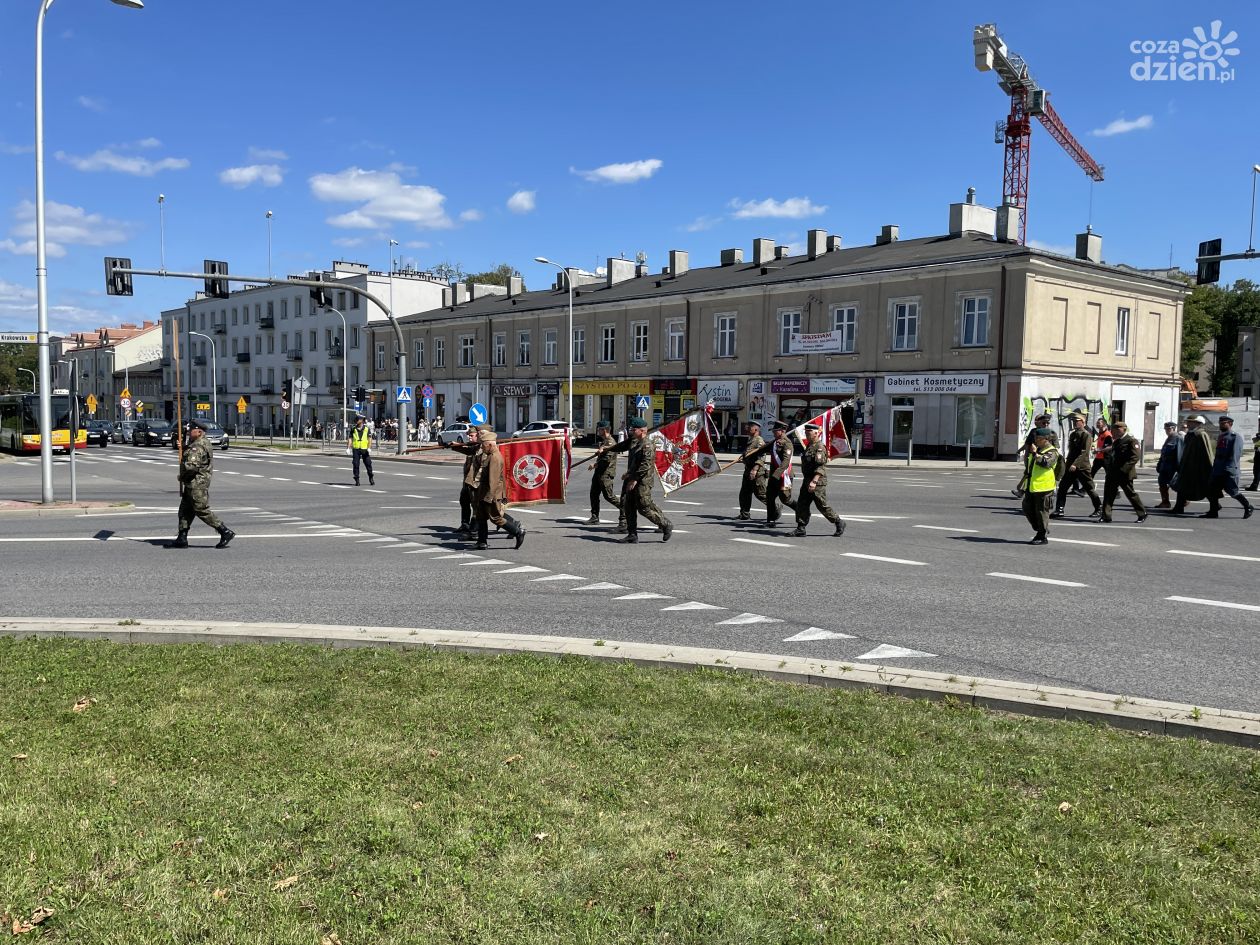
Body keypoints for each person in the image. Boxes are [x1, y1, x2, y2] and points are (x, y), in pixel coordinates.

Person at [600, 416, 672, 544]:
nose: (631, 431)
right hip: (632, 478)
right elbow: (623, 448)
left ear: (642, 430)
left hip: (642, 482)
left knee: (643, 507)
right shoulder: (635, 442)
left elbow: (645, 465)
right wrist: (608, 450)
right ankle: (632, 535)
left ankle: (665, 524)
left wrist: (634, 479)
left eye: (634, 429)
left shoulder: (647, 445)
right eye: (631, 429)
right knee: (629, 506)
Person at [167, 420, 234, 549]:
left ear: (199, 431)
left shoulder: (197, 446)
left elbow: (191, 467)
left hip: (196, 483)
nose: (188, 432)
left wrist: (182, 477)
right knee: (185, 511)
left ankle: (224, 531)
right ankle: (182, 537)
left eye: (191, 430)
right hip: (194, 483)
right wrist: (184, 447)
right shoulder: (202, 443)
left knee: (201, 509)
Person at [471, 430, 526, 550]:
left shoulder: (495, 458)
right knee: (480, 517)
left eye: (483, 444)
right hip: (483, 492)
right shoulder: (490, 455)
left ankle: (518, 532)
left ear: (490, 445)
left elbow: (494, 480)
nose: (482, 446)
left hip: (491, 494)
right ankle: (482, 541)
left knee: (495, 518)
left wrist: (489, 497)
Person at [793, 423, 845, 538]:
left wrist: (814, 481)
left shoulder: (819, 447)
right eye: (806, 433)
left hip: (817, 482)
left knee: (821, 505)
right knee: (802, 504)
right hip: (807, 480)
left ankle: (838, 522)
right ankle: (801, 528)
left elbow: (820, 467)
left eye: (809, 433)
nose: (806, 435)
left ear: (816, 433)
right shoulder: (809, 446)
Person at [1203, 415, 1255, 519]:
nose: (1221, 425)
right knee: (1211, 490)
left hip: (1228, 470)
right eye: (1220, 423)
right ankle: (1213, 511)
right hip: (1218, 470)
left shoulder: (1235, 437)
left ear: (1230, 424)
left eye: (1224, 423)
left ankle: (1248, 506)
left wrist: (1229, 469)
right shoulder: (1221, 436)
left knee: (1233, 492)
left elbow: (1235, 455)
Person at [1051, 413, 1100, 518]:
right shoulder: (1073, 434)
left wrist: (1075, 464)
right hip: (1071, 467)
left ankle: (1099, 509)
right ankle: (1059, 510)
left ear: (1083, 422)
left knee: (1089, 489)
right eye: (1073, 421)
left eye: (1076, 421)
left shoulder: (1086, 435)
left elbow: (1084, 452)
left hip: (1082, 467)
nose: (1074, 423)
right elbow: (1072, 451)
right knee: (1063, 488)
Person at [1099, 419, 1147, 523]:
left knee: (1131, 494)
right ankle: (1106, 516)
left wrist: (1124, 469)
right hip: (1113, 473)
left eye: (1115, 430)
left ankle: (1142, 513)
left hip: (1124, 473)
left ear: (1122, 429)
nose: (1113, 432)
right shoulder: (1117, 441)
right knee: (1108, 494)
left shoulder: (1131, 440)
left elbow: (1135, 457)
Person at [1021, 427, 1060, 545]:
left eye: (1038, 438)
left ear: (1045, 439)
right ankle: (1040, 528)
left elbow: (1046, 463)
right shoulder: (1038, 449)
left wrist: (1035, 453)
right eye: (1036, 438)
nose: (1036, 441)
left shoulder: (1052, 451)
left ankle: (1042, 536)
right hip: (1032, 486)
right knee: (1027, 507)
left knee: (1041, 512)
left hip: (1045, 487)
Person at [1171, 415, 1215, 515]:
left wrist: (1208, 467)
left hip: (1198, 467)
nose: (1188, 424)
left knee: (1205, 488)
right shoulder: (1190, 434)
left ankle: (1215, 506)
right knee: (1182, 487)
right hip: (1187, 466)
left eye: (1190, 422)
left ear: (1197, 423)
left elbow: (1207, 452)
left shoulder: (1201, 434)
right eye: (1188, 422)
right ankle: (1179, 507)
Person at [586, 420, 626, 530]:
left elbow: (607, 459)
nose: (597, 431)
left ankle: (625, 510)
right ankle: (595, 517)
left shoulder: (611, 443)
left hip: (606, 473)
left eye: (599, 429)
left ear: (604, 430)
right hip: (599, 472)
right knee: (593, 494)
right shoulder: (605, 442)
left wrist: (595, 464)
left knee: (609, 496)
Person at [448, 426, 482, 535]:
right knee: (464, 500)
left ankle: (513, 526)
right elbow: (467, 451)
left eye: (472, 436)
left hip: (475, 482)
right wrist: (454, 445)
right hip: (467, 480)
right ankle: (465, 524)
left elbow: (470, 451)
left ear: (478, 436)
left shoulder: (481, 447)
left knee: (480, 507)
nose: (469, 438)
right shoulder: (473, 446)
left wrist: (457, 446)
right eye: (468, 436)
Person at [1012, 411, 1054, 497]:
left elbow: (1054, 446)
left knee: (1030, 474)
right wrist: (1022, 452)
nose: (1036, 422)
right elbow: (1028, 444)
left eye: (1038, 420)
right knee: (1028, 474)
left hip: (1043, 457)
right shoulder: (1034, 431)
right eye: (1036, 420)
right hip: (1032, 456)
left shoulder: (1050, 432)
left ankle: (1022, 490)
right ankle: (1022, 491)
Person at [736, 420, 769, 520]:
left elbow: (762, 457)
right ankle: (744, 513)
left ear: (756, 429)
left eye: (750, 427)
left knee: (761, 494)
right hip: (748, 471)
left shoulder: (759, 441)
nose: (748, 429)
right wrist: (743, 456)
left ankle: (775, 509)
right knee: (744, 493)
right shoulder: (751, 440)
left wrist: (755, 470)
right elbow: (749, 453)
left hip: (757, 472)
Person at [1154, 421, 1183, 508]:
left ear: (1174, 428)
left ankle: (1184, 500)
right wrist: (1159, 464)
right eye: (1166, 429)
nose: (1167, 430)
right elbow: (1163, 453)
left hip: (1172, 466)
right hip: (1165, 466)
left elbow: (1179, 454)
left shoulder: (1178, 438)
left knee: (1175, 485)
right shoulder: (1169, 438)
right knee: (1162, 482)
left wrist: (1179, 468)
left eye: (1169, 429)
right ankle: (1165, 502)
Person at [350, 415, 375, 486]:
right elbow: (350, 438)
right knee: (355, 464)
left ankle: (371, 477)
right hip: (356, 449)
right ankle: (357, 479)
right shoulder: (353, 429)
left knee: (368, 464)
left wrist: (369, 447)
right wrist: (348, 448)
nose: (356, 421)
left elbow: (369, 439)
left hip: (364, 449)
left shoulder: (367, 429)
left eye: (357, 420)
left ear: (361, 421)